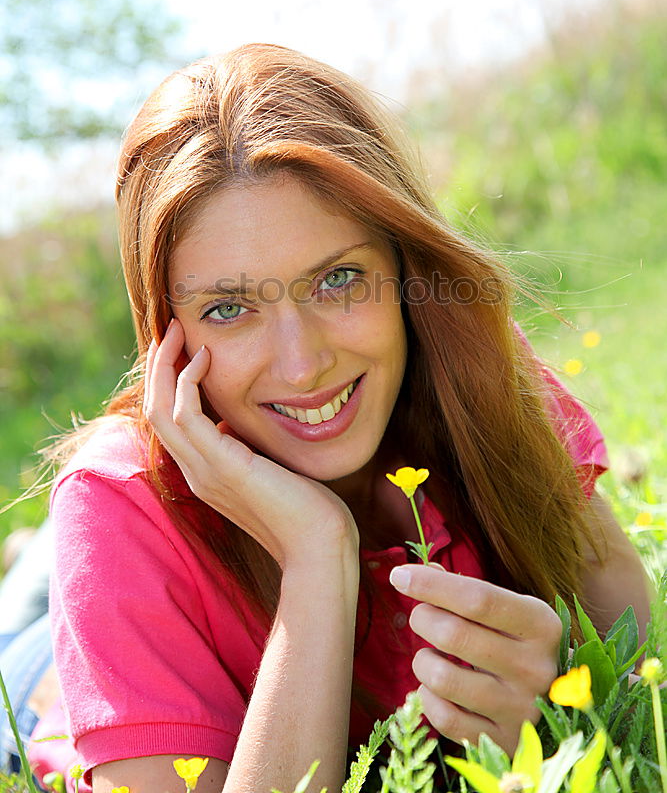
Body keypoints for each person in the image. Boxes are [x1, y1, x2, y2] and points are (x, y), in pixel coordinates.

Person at [47, 43, 651, 793]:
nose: (302, 366)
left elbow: (631, 656)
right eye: (228, 309)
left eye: (337, 279)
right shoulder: (117, 505)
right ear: (167, 334)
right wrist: (314, 550)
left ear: (404, 268)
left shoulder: (475, 367)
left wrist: (556, 714)